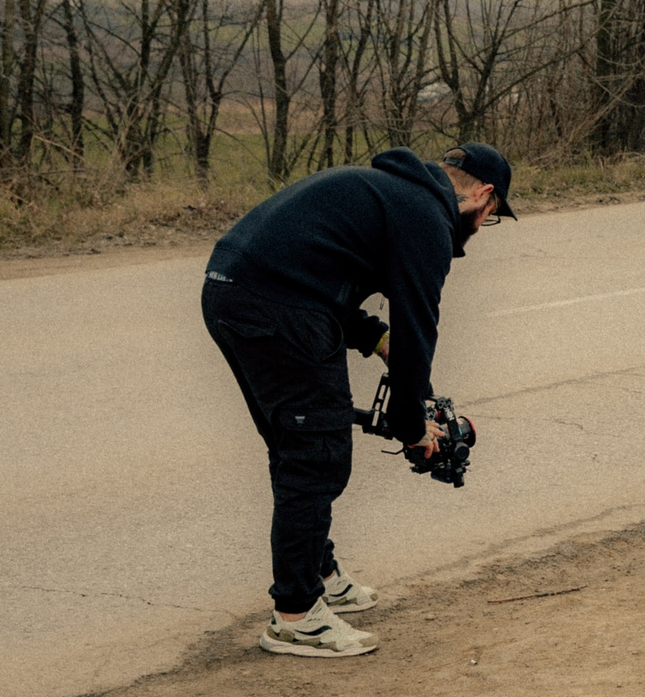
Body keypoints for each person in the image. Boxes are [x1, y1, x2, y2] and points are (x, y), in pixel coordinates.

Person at [202, 142, 515, 657]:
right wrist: (413, 426)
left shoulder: (391, 193)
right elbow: (419, 331)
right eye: (492, 217)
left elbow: (317, 272)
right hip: (278, 307)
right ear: (484, 195)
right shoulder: (428, 219)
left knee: (297, 443)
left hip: (231, 288)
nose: (481, 229)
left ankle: (318, 572)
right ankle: (296, 616)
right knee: (315, 456)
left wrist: (374, 338)